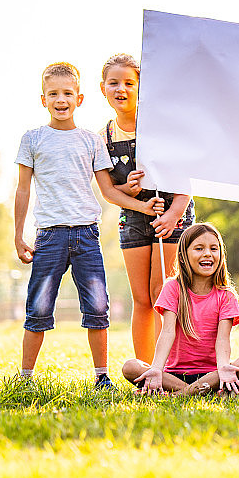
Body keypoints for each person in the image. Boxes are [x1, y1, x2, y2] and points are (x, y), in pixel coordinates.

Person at [15, 62, 163, 388]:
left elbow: (108, 190)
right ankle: (25, 377)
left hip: (86, 234)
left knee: (97, 307)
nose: (60, 99)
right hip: (49, 235)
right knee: (38, 307)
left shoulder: (91, 142)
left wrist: (137, 195)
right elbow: (23, 189)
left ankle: (101, 377)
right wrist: (18, 234)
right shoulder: (32, 140)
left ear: (79, 98)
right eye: (53, 93)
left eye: (67, 93)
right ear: (43, 99)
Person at [100, 54, 194, 363]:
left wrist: (171, 215)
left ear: (142, 87)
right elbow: (110, 192)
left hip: (172, 215)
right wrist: (134, 194)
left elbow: (186, 179)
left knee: (162, 295)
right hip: (134, 217)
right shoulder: (103, 138)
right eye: (114, 83)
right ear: (103, 89)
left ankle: (167, 367)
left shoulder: (162, 128)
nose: (121, 89)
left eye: (129, 82)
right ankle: (143, 372)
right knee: (141, 298)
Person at [122, 223, 239, 395]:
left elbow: (223, 339)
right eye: (199, 248)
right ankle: (199, 391)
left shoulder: (226, 295)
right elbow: (167, 331)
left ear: (221, 255)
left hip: (212, 374)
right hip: (173, 375)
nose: (207, 253)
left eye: (214, 248)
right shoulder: (172, 288)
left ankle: (177, 395)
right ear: (183, 256)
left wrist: (223, 367)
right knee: (130, 366)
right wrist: (156, 368)